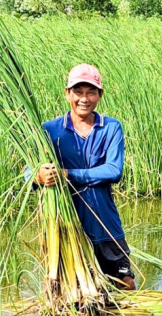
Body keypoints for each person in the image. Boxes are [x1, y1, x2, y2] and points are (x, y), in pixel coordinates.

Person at [35, 63, 136, 291]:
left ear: (100, 95)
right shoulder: (49, 130)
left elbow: (113, 171)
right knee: (68, 291)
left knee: (125, 285)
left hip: (105, 225)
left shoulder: (110, 127)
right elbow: (27, 172)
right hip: (65, 226)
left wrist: (67, 174)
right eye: (78, 92)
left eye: (90, 92)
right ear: (67, 93)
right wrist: (39, 176)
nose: (84, 98)